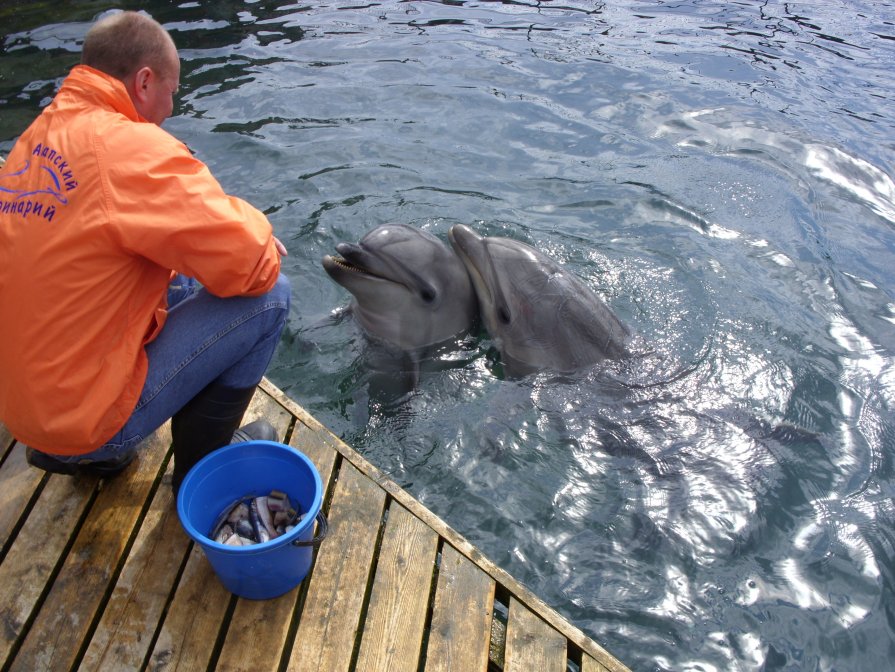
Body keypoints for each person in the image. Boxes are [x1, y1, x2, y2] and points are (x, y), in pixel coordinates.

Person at [0, 11, 291, 492]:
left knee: (182, 272)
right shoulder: (127, 147)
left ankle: (88, 457)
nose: (172, 107)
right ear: (144, 81)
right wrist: (256, 225)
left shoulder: (36, 138)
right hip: (82, 423)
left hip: (24, 412)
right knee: (272, 295)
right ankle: (201, 471)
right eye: (172, 91)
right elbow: (254, 267)